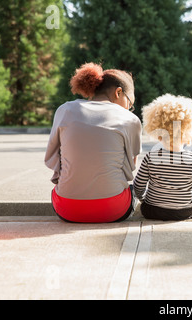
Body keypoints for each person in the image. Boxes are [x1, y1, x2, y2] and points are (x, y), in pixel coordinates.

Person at [44, 62, 142, 223]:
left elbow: (51, 158)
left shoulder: (65, 110)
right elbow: (130, 168)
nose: (129, 109)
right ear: (119, 92)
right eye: (130, 104)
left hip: (67, 209)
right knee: (132, 190)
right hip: (113, 210)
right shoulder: (130, 119)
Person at [133, 94, 192, 220]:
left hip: (152, 211)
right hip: (184, 211)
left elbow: (138, 187)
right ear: (189, 132)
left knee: (147, 206)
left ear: (157, 132)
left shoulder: (150, 157)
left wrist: (144, 200)